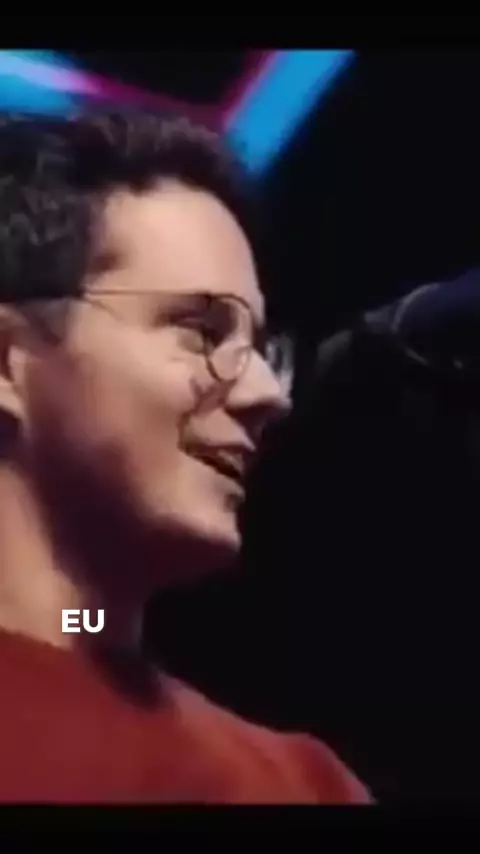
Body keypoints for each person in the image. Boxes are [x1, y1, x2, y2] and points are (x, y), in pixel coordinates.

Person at [0, 107, 371, 804]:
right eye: (201, 331)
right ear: (6, 362)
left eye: (260, 348)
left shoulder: (307, 787)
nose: (267, 395)